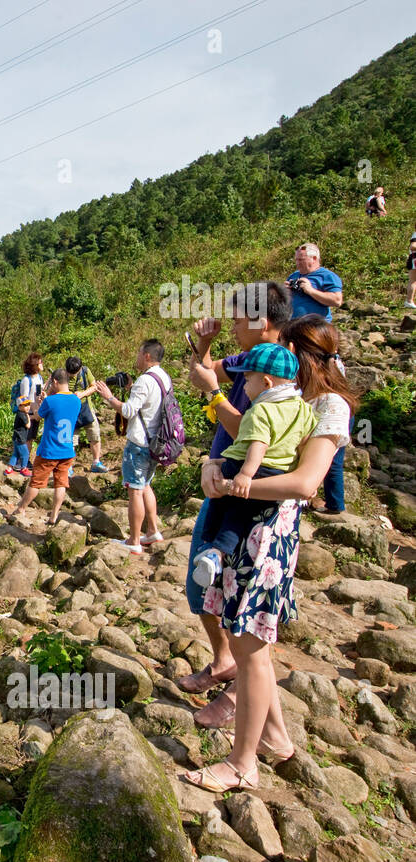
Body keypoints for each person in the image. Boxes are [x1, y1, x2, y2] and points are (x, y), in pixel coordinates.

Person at [181, 314, 357, 793]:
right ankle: (275, 739)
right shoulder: (292, 400)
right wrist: (212, 468)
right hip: (250, 520)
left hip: (268, 533)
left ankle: (241, 765)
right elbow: (248, 439)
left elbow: (304, 482)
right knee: (248, 640)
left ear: (303, 355)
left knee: (251, 648)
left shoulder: (330, 407)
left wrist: (238, 486)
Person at [180, 280, 290, 725]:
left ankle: (244, 692)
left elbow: (256, 430)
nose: (235, 325)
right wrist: (204, 345)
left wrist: (212, 394)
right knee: (202, 585)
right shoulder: (247, 359)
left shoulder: (282, 367)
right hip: (222, 480)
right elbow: (201, 373)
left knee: (236, 595)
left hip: (248, 495)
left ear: (263, 321)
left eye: (240, 317)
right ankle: (225, 662)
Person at [191, 343, 316, 587]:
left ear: (267, 383)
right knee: (238, 513)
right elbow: (304, 440)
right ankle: (218, 553)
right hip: (275, 474)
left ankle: (210, 547)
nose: (244, 386)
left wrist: (245, 475)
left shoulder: (261, 410)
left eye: (247, 380)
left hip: (245, 466)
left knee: (219, 503)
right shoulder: (303, 408)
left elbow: (258, 443)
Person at [93, 340, 170, 555]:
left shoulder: (145, 380)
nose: (136, 356)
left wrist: (109, 397)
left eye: (138, 352)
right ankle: (153, 531)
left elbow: (127, 411)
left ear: (146, 355)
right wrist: (130, 387)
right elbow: (148, 404)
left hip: (139, 444)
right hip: (155, 442)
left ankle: (134, 540)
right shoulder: (162, 377)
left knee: (135, 491)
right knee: (145, 485)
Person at [9, 368, 80, 524]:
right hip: (67, 450)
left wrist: (40, 405)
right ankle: (54, 516)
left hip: (49, 450)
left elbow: (38, 416)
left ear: (54, 381)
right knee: (61, 483)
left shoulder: (50, 401)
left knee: (36, 482)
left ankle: (21, 508)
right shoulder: (76, 400)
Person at [65, 356, 109, 473]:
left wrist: (83, 394)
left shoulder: (85, 371)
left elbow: (94, 386)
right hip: (70, 412)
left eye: (74, 373)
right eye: (70, 373)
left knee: (94, 434)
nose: (72, 375)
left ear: (80, 369)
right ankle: (68, 466)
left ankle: (96, 462)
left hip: (86, 409)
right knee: (71, 439)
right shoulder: (63, 375)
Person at [5, 353, 44, 477]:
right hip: (28, 413)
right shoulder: (26, 380)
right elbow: (24, 398)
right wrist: (29, 413)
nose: (42, 364)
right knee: (25, 437)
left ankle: (24, 461)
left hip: (36, 411)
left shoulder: (40, 378)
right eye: (40, 362)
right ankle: (22, 462)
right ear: (35, 365)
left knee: (31, 437)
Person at [286, 242, 343, 322]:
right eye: (296, 260)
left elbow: (337, 301)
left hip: (316, 327)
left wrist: (310, 290)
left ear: (314, 258)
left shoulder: (327, 276)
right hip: (294, 326)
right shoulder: (293, 276)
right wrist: (285, 292)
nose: (297, 263)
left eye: (301, 260)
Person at [403, 232, 416, 310]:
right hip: (414, 259)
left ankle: (409, 301)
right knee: (413, 281)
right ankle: (409, 301)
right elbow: (413, 246)